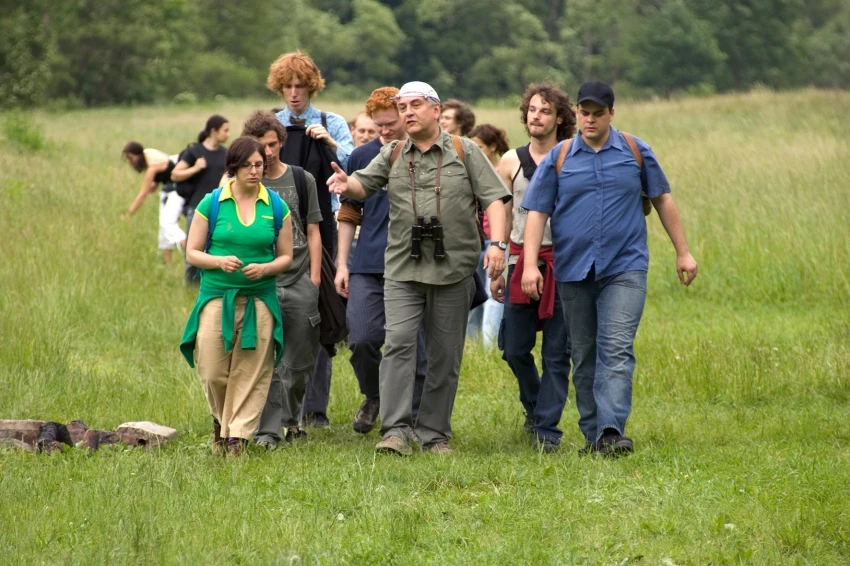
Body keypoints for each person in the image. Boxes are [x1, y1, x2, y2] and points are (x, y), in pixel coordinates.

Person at [328, 81, 511, 455]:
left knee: (444, 354)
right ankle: (395, 431)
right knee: (397, 345)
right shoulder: (393, 153)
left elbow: (495, 199)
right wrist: (349, 183)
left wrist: (497, 245)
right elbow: (363, 185)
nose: (407, 112)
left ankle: (433, 433)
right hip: (402, 269)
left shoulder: (465, 150)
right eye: (402, 106)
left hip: (453, 269)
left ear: (434, 109)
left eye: (414, 105)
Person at [521, 81, 698, 457]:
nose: (589, 119)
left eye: (597, 113)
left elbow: (663, 199)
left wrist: (683, 252)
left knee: (616, 348)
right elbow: (537, 211)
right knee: (584, 355)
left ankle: (610, 431)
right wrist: (530, 265)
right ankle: (593, 436)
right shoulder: (561, 156)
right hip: (573, 269)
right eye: (584, 112)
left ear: (611, 114)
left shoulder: (635, 151)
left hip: (625, 267)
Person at [179, 136, 294, 456]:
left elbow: (286, 257)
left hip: (260, 297)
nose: (255, 171)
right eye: (247, 165)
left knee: (252, 370)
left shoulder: (275, 206)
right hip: (218, 295)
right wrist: (219, 262)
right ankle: (221, 422)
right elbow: (192, 252)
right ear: (234, 167)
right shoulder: (212, 203)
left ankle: (236, 439)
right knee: (213, 368)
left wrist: (268, 268)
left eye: (259, 164)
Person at [267, 50, 355, 427]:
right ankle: (275, 407)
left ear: (312, 87)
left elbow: (359, 166)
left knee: (317, 318)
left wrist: (331, 144)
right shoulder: (271, 125)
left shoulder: (330, 122)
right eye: (287, 86)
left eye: (300, 86)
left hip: (323, 227)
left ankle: (314, 409)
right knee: (275, 318)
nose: (293, 93)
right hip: (274, 230)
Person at [335, 87, 427, 435]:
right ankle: (374, 394)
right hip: (369, 262)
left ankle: (413, 419)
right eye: (378, 125)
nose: (385, 131)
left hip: (415, 263)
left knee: (414, 348)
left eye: (390, 124)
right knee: (361, 338)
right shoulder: (362, 156)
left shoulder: (423, 152)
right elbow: (349, 211)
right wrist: (342, 263)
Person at [490, 84, 575, 452]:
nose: (535, 117)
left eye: (544, 111)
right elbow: (500, 215)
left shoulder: (573, 157)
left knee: (557, 352)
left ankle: (546, 430)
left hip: (563, 264)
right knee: (512, 347)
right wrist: (498, 266)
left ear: (559, 118)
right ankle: (535, 404)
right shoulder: (511, 161)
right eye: (532, 110)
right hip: (519, 259)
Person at [238, 111, 324, 449]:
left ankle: (292, 417)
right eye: (260, 147)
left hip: (301, 278)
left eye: (272, 145)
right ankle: (269, 430)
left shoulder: (302, 179)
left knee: (299, 361)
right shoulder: (244, 182)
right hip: (260, 281)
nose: (267, 153)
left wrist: (315, 279)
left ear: (281, 142)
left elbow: (315, 230)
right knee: (263, 358)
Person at [171, 115, 230, 285]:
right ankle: (191, 286)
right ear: (213, 131)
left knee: (216, 249)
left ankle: (212, 283)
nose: (228, 134)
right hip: (196, 208)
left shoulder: (225, 154)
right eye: (225, 130)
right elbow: (175, 174)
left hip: (220, 208)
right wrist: (195, 168)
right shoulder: (194, 152)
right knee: (194, 249)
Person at [465, 124, 510, 347]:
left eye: (480, 147)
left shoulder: (502, 171)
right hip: (475, 239)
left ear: (492, 147)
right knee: (474, 292)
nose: (475, 151)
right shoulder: (468, 172)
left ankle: (489, 343)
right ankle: (472, 341)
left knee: (494, 295)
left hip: (496, 241)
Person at [121, 142, 185, 264]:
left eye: (131, 158)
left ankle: (186, 244)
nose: (130, 162)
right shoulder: (148, 153)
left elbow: (142, 195)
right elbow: (165, 169)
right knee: (163, 228)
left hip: (175, 191)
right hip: (169, 189)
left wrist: (128, 214)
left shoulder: (151, 167)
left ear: (138, 155)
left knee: (167, 224)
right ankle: (168, 264)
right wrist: (154, 184)